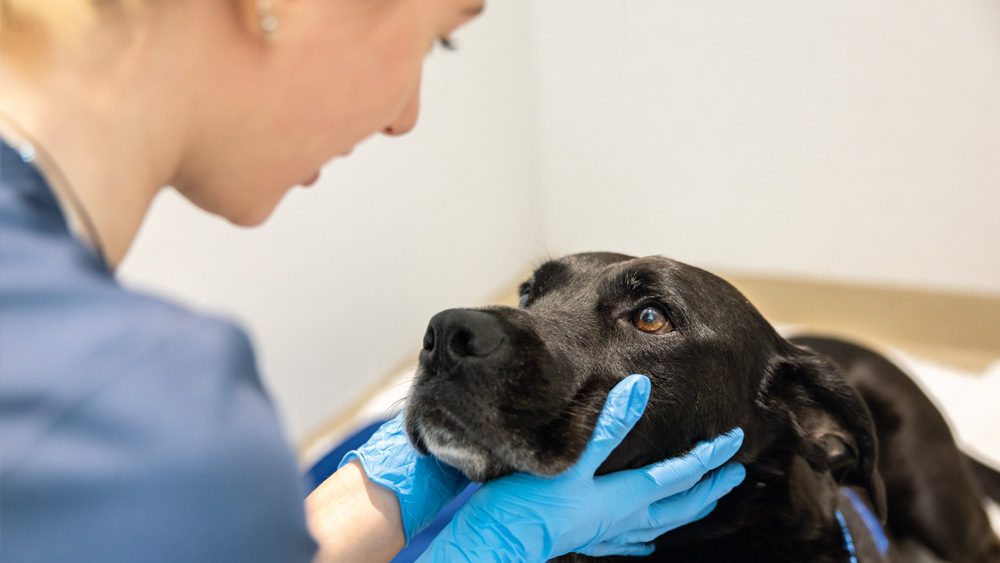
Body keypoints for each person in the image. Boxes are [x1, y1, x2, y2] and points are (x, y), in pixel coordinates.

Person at [0, 1, 747, 561]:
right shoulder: (145, 410)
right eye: (438, 34)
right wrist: (483, 551)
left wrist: (380, 493)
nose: (406, 116)